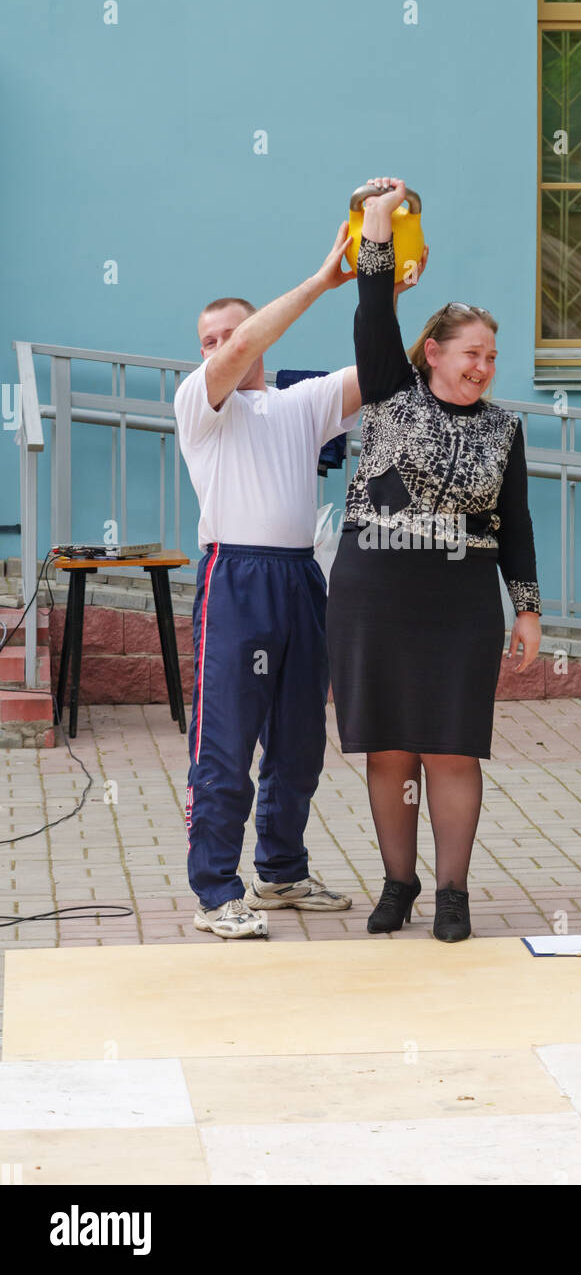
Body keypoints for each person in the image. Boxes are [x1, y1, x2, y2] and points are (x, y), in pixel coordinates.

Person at [326, 178, 542, 943]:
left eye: (491, 355)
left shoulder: (506, 428)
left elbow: (513, 522)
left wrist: (529, 609)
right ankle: (399, 884)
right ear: (433, 353)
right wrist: (378, 223)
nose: (484, 366)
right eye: (471, 353)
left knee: (451, 746)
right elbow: (372, 304)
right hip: (374, 590)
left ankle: (453, 894)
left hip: (459, 603)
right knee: (388, 749)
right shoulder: (389, 391)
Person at [174, 222, 361, 939]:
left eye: (233, 332)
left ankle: (280, 874)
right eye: (208, 339)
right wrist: (323, 279)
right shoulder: (200, 404)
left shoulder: (297, 403)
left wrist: (382, 281)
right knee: (224, 747)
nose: (221, 345)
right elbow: (244, 350)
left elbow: (382, 371)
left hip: (298, 579)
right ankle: (217, 892)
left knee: (299, 743)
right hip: (236, 579)